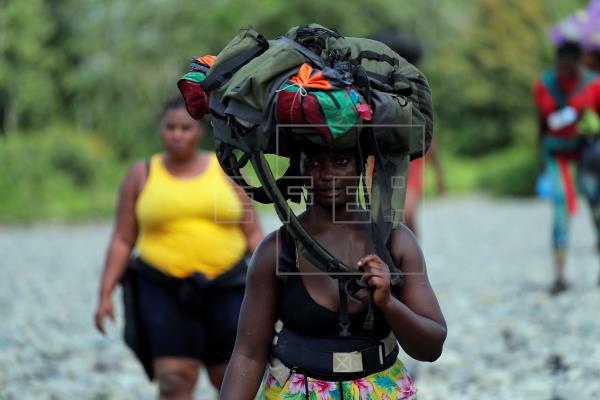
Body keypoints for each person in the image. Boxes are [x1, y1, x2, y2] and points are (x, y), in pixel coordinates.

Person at [219, 145, 447, 399]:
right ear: (300, 170)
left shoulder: (395, 241)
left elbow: (431, 347)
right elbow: (248, 356)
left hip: (380, 391)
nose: (328, 174)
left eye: (341, 161)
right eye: (315, 163)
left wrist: (388, 303)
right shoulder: (276, 250)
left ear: (361, 166)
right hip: (296, 392)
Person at [94, 96, 263, 399]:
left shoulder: (228, 170)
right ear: (161, 129)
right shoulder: (141, 174)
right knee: (173, 379)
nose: (177, 134)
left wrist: (275, 289)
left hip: (227, 287)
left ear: (199, 131)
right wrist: (105, 294)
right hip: (162, 289)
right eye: (170, 127)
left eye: (185, 128)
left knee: (229, 376)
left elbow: (253, 234)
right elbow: (122, 238)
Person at [533, 41, 596, 294]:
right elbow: (541, 121)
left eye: (568, 67)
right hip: (556, 153)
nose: (563, 72)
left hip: (586, 154)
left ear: (578, 63)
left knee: (596, 206)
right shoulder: (544, 84)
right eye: (560, 66)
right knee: (560, 207)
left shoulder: (593, 85)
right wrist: (539, 155)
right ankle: (559, 274)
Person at [371, 30, 446, 235]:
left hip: (410, 162)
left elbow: (429, 135)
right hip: (383, 160)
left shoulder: (415, 89)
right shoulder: (376, 86)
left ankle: (410, 256)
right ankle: (402, 257)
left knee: (405, 214)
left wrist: (439, 175)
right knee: (389, 217)